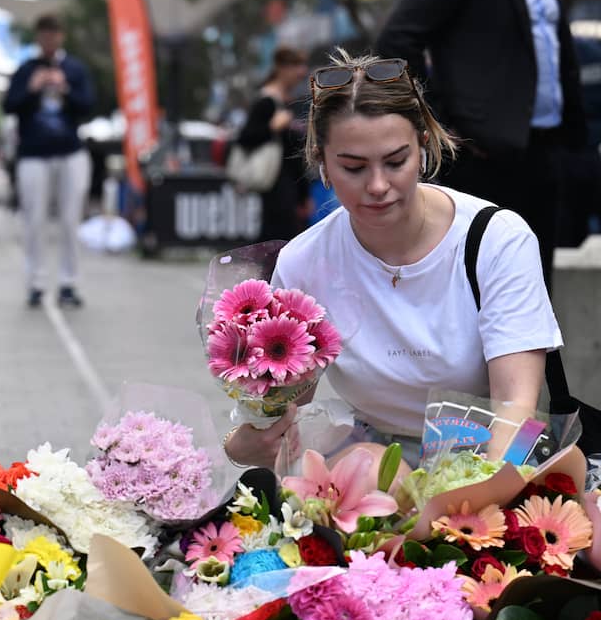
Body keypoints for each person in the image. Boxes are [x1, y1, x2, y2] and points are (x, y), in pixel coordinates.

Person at [223, 52, 563, 469]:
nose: (378, 185)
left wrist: (466, 514)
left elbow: (515, 411)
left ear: (423, 146)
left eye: (395, 161)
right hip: (366, 468)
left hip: (491, 464)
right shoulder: (304, 261)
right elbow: (284, 414)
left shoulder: (498, 240)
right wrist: (241, 436)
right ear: (323, 163)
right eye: (353, 167)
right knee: (363, 469)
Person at [375, 0, 587, 289]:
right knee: (478, 294)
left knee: (536, 291)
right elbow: (396, 40)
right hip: (482, 156)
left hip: (545, 148)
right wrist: (444, 124)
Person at [3, 14, 94, 309]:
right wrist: (31, 88)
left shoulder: (74, 68)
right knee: (34, 220)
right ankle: (36, 282)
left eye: (53, 34)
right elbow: (8, 105)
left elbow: (88, 105)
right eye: (44, 35)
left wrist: (65, 88)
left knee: (70, 219)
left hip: (70, 152)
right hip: (33, 154)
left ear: (60, 36)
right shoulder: (25, 68)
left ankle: (69, 282)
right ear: (38, 38)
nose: (49, 40)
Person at [233, 46, 313, 240]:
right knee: (277, 235)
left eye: (303, 65)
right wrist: (272, 128)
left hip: (293, 185)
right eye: (295, 65)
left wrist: (304, 194)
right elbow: (245, 138)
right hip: (275, 183)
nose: (301, 72)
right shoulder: (267, 101)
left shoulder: (292, 101)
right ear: (281, 68)